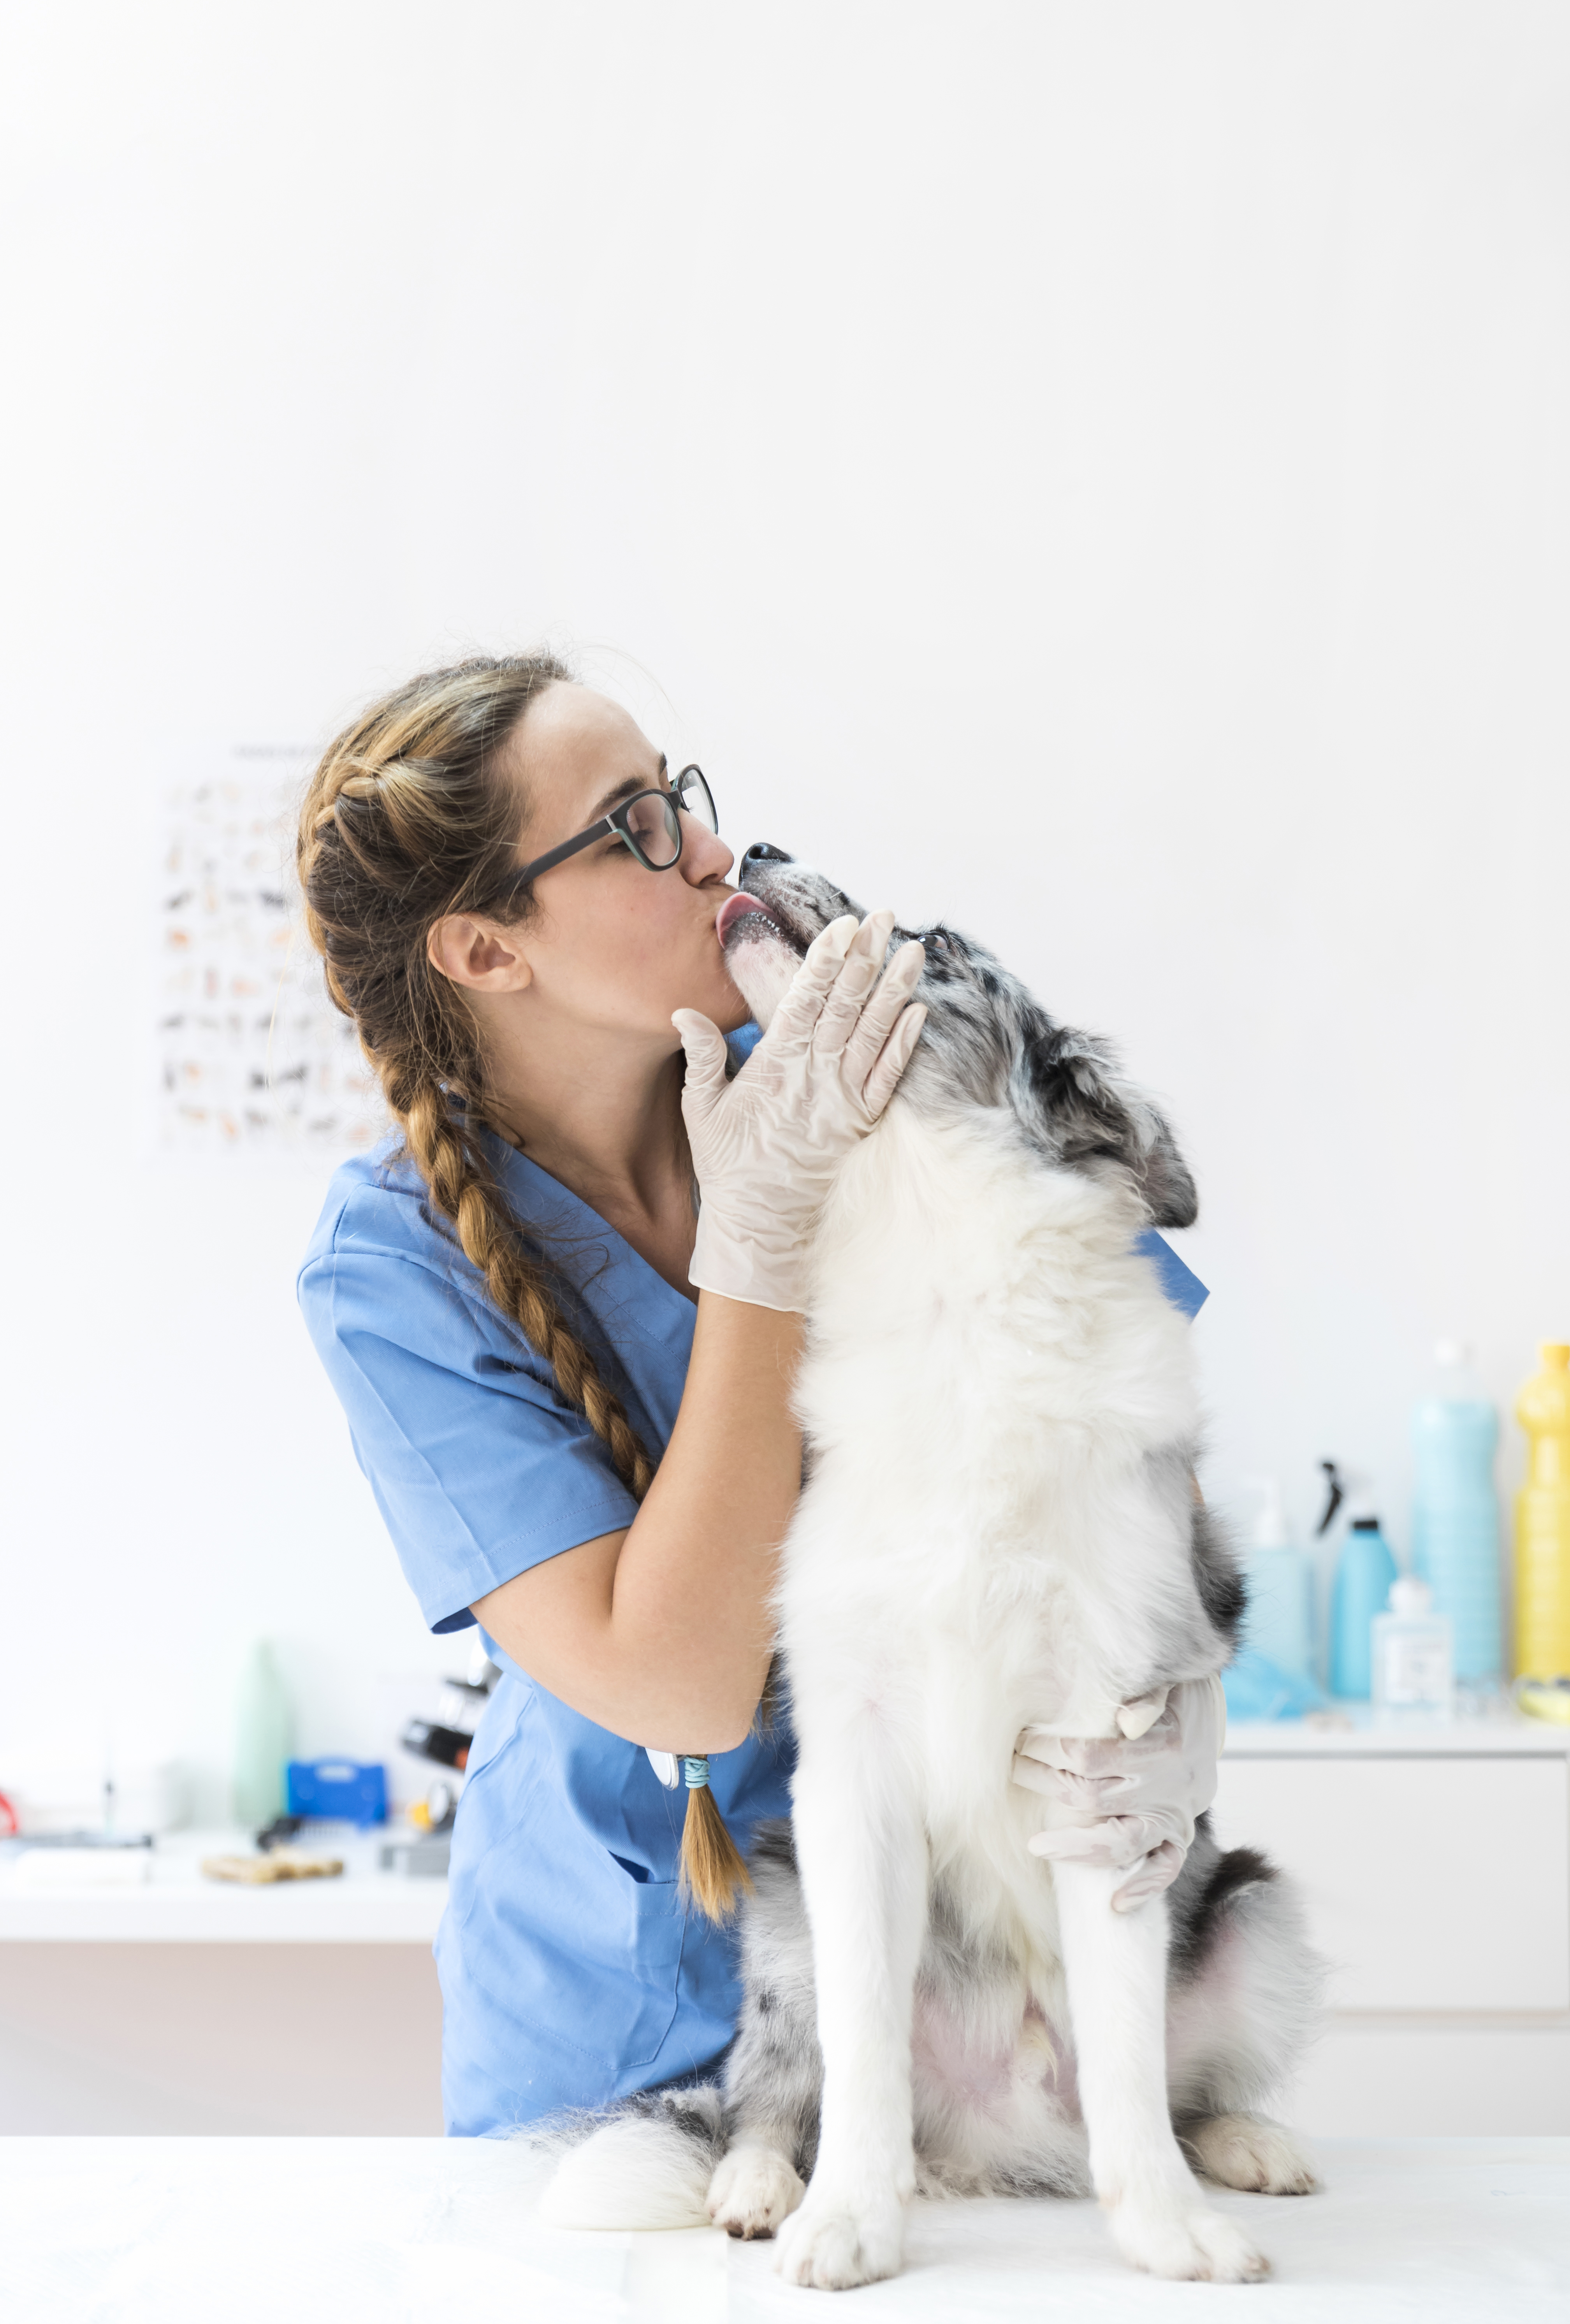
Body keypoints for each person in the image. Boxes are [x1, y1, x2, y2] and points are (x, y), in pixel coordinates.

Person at [295, 652, 1219, 2138]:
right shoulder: (392, 1267)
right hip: (614, 2032)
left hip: (949, 2017)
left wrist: (1178, 1710)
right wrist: (759, 1244)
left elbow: (1127, 1433)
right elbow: (680, 1684)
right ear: (483, 950)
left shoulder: (851, 1074)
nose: (709, 851)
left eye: (683, 796)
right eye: (632, 825)